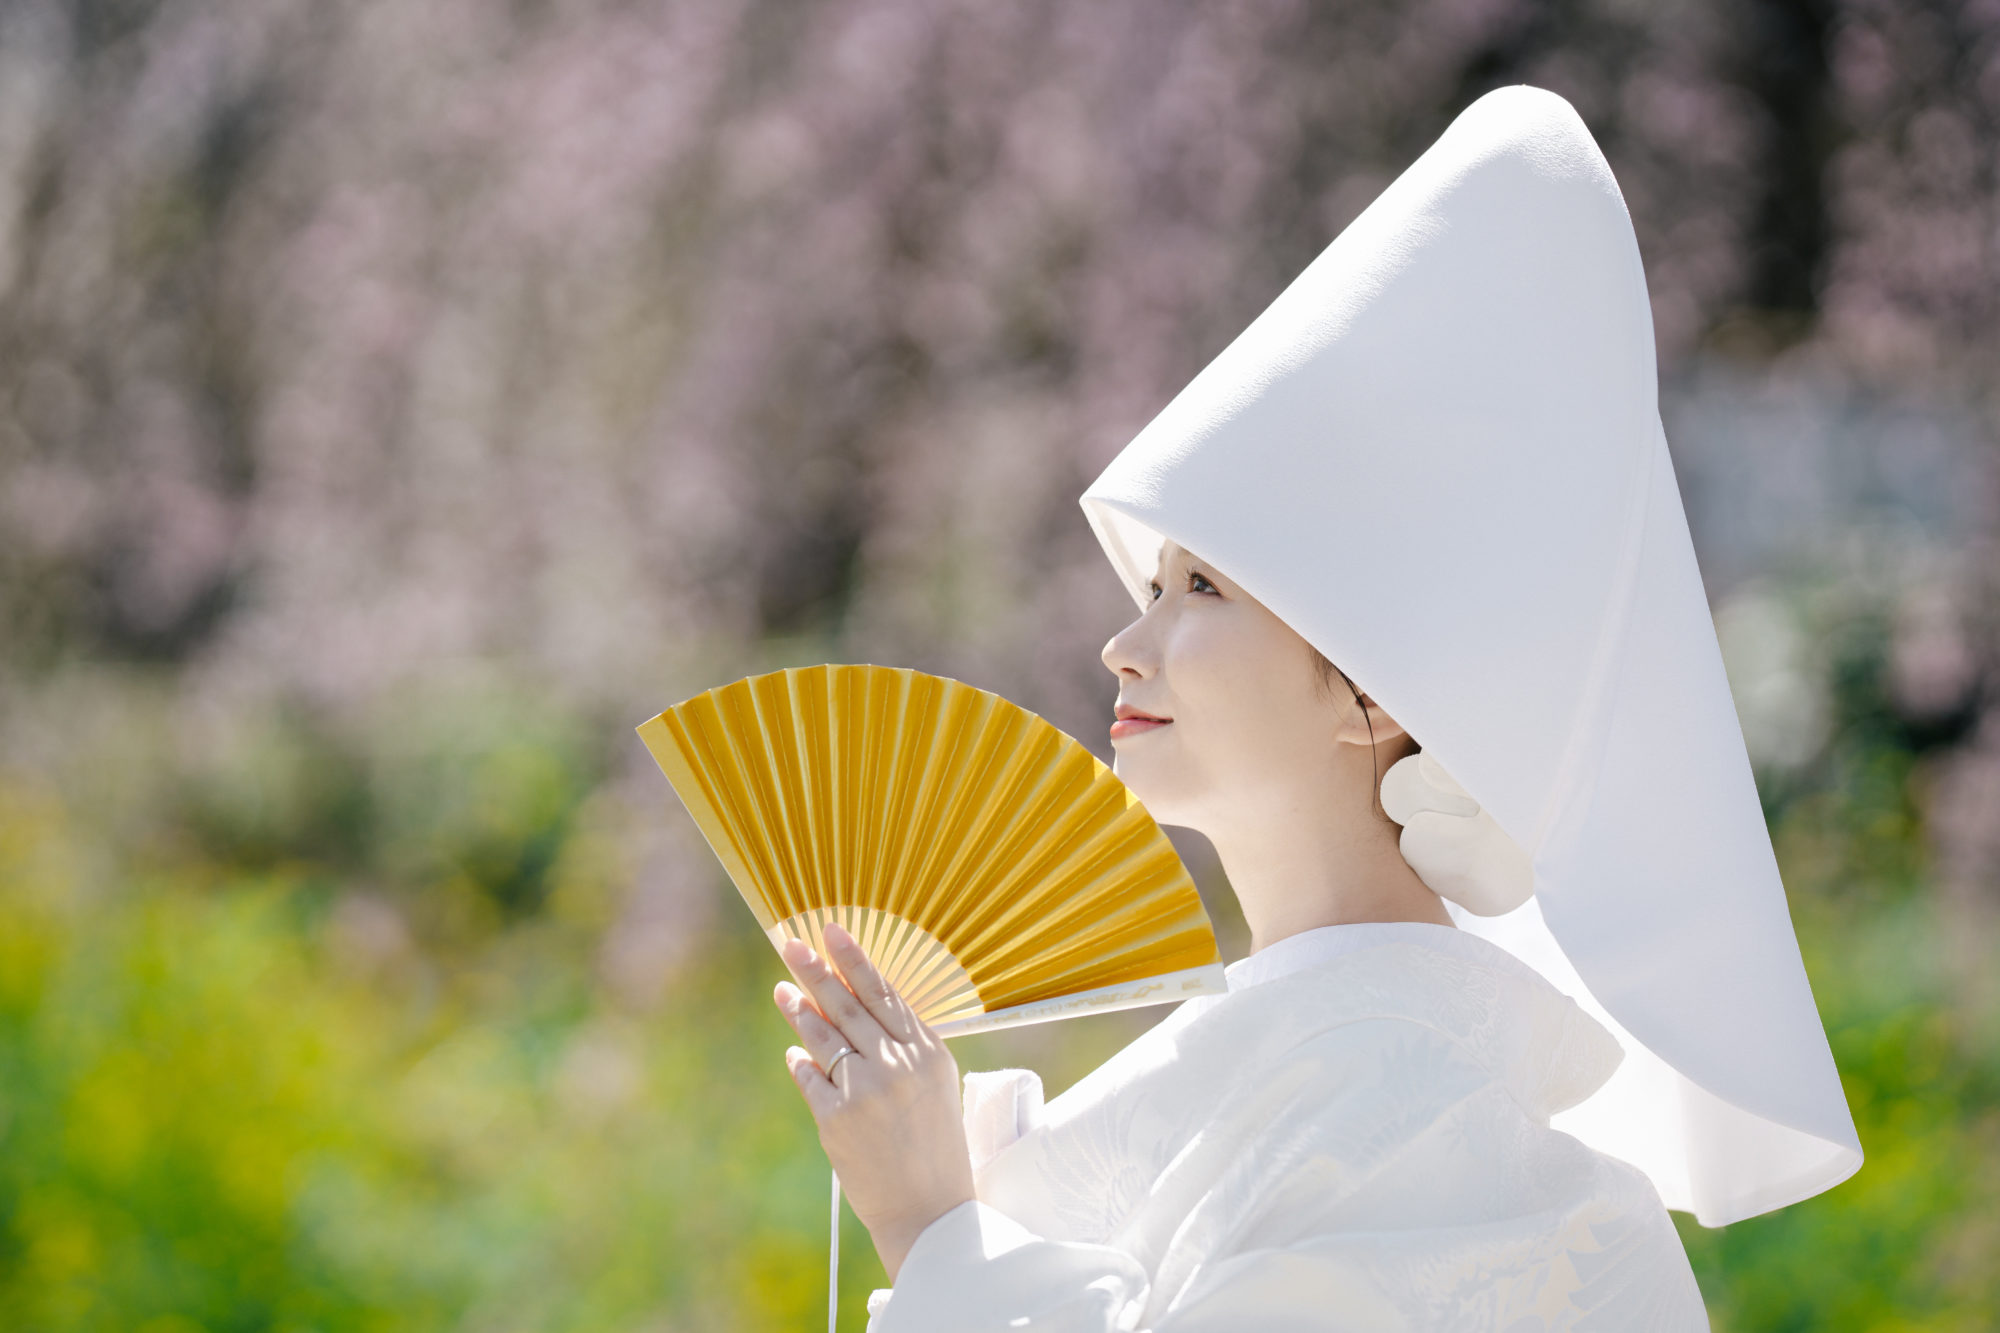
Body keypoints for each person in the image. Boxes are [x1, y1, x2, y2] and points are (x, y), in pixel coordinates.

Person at [770, 83, 1863, 1330]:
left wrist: (936, 1233)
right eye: (1149, 586)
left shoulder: (1404, 1097)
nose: (1124, 644)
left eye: (1200, 586)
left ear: (1374, 691)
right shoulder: (1343, 1069)